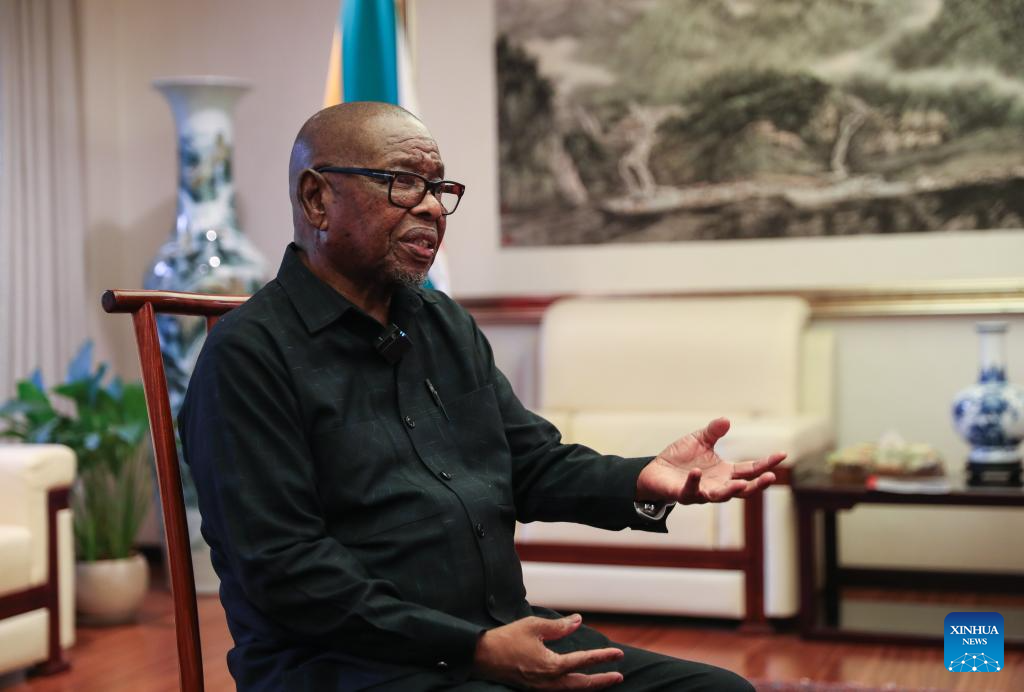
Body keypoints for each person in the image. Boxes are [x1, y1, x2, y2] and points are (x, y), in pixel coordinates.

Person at [179, 101, 785, 692]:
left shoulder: (442, 323)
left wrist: (644, 478)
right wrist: (471, 649)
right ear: (317, 198)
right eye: (403, 183)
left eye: (438, 188)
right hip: (351, 665)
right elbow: (284, 570)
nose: (431, 207)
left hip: (495, 635)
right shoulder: (248, 356)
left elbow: (530, 464)